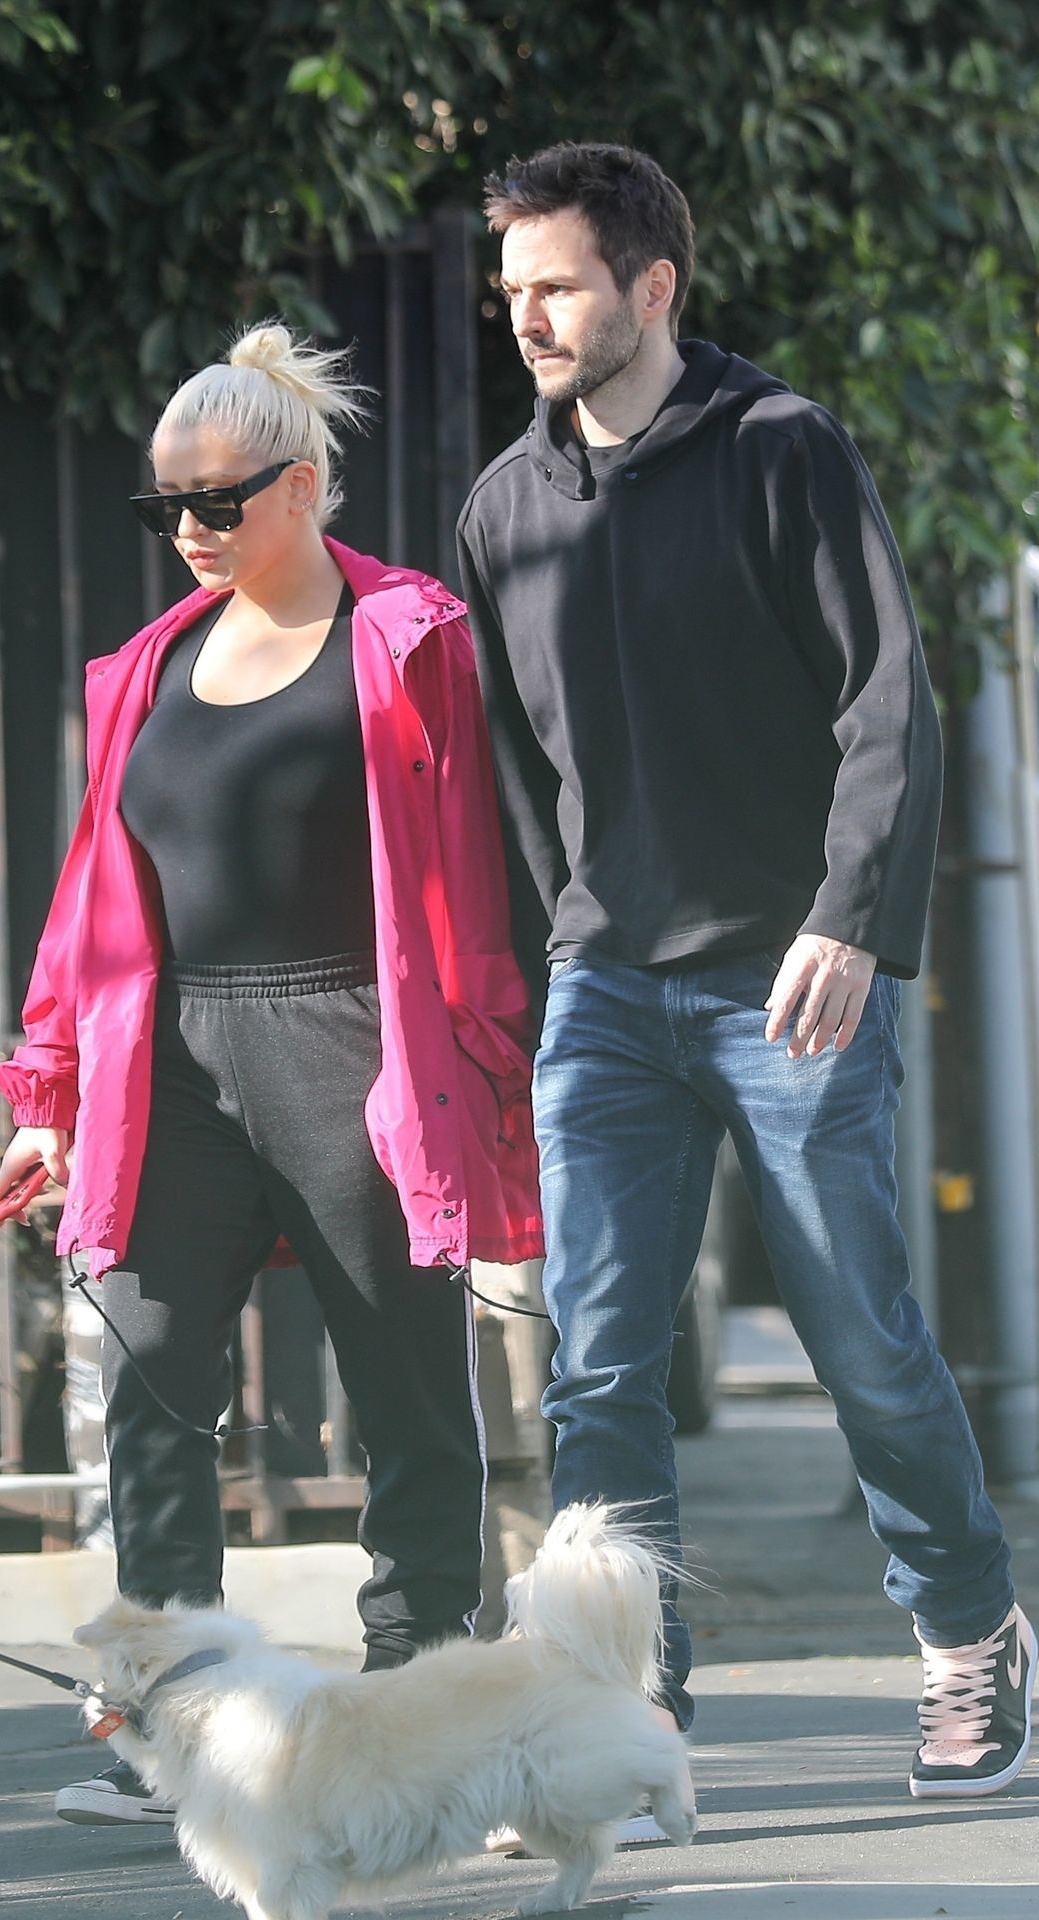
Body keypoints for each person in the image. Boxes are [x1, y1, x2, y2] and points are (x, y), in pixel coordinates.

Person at [456, 140, 1034, 1800]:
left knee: (858, 1331)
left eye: (559, 285)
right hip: (605, 988)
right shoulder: (504, 509)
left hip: (792, 978)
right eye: (512, 291)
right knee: (599, 1365)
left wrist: (848, 917)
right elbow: (516, 773)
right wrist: (560, 948)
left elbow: (888, 699)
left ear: (652, 287)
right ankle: (633, 1709)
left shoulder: (782, 448)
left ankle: (968, 1629)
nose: (530, 317)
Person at [0, 323, 544, 1825]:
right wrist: (51, 1095)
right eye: (163, 505)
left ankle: (422, 1719)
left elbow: (487, 866)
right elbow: (96, 898)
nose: (187, 530)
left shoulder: (410, 638)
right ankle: (179, 1733)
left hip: (356, 1040)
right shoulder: (151, 666)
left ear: (300, 486)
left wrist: (499, 1063)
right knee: (150, 1381)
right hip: (171, 1063)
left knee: (408, 1395)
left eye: (215, 501)